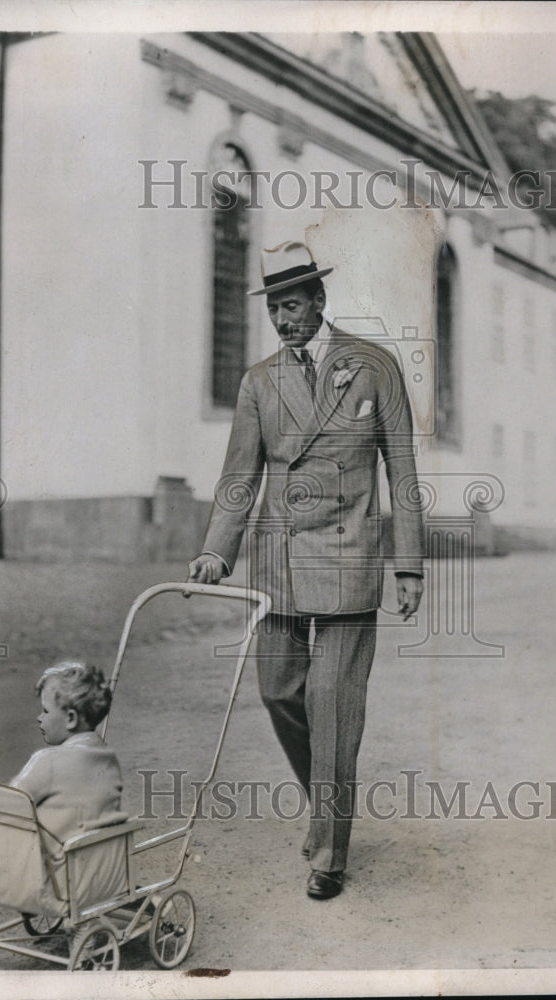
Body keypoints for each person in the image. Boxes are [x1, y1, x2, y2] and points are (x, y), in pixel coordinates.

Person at [189, 241, 424, 899]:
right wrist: (217, 548)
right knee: (278, 692)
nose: (285, 320)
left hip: (349, 558)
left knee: (333, 707)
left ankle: (329, 853)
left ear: (320, 301)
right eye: (276, 311)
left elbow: (401, 470)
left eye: (293, 306)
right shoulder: (260, 381)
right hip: (280, 560)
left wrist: (408, 565)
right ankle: (328, 799)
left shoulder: (373, 366)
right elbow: (240, 475)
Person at [10, 660, 124, 846]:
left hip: (54, 869)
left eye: (45, 711)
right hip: (102, 866)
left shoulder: (48, 761)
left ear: (71, 718)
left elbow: (9, 802)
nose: (39, 718)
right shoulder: (109, 759)